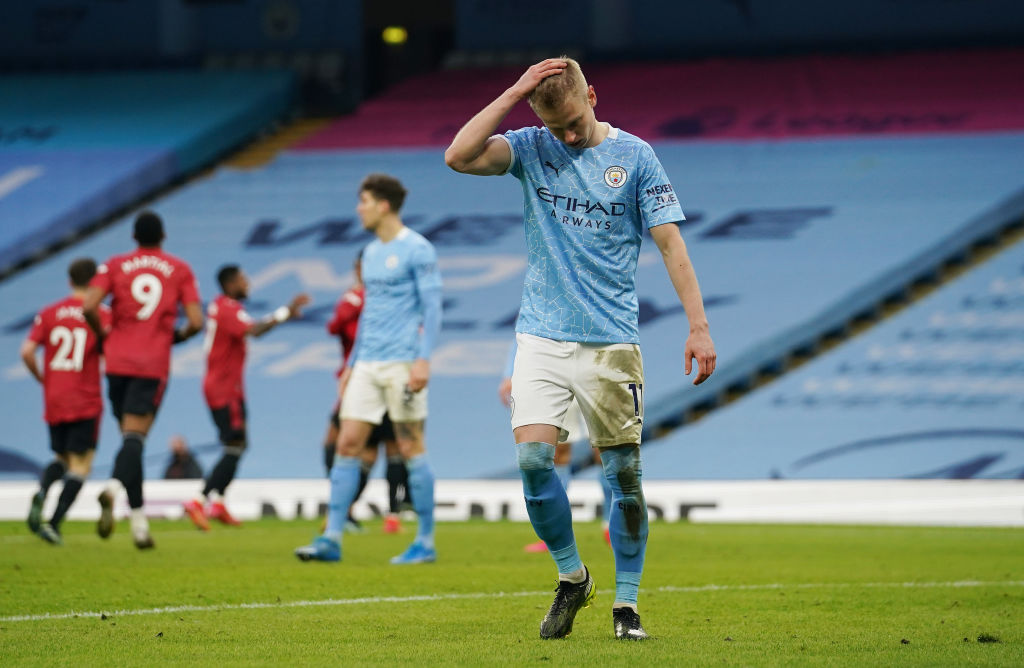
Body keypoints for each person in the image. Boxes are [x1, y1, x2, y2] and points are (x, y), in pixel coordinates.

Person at [445, 57, 717, 640]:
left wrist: (698, 326)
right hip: (541, 335)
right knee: (533, 461)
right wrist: (516, 92)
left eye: (573, 121)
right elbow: (458, 156)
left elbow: (671, 244)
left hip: (611, 341)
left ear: (593, 95)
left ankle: (627, 604)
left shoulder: (637, 156)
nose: (566, 136)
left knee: (624, 477)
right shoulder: (531, 147)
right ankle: (573, 578)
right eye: (554, 126)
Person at [295, 173, 443, 564]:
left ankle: (425, 541)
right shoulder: (372, 253)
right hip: (368, 364)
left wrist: (424, 359)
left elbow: (432, 308)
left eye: (363, 202)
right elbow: (369, 314)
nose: (358, 209)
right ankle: (331, 537)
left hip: (403, 363)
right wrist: (351, 364)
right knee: (346, 444)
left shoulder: (417, 249)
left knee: (411, 446)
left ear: (382, 205)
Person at [83, 211, 203, 549]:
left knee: (131, 442)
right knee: (135, 440)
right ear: (162, 236)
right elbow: (195, 320)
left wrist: (106, 337)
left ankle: (139, 527)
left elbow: (89, 305)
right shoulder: (179, 269)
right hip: (151, 363)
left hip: (117, 361)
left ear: (134, 237)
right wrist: (174, 337)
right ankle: (112, 488)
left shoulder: (114, 265)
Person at [182, 265, 309, 531]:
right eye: (243, 280)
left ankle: (217, 502)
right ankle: (199, 500)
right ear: (230, 284)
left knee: (238, 444)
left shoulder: (224, 307)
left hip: (227, 387)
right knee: (235, 444)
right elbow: (255, 331)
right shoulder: (227, 308)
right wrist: (285, 312)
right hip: (224, 389)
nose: (247, 284)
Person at [21, 258, 111, 545]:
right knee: (82, 465)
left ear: (70, 281)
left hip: (55, 396)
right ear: (96, 282)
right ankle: (55, 523)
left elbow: (27, 351)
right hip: (85, 397)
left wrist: (42, 379)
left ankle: (43, 490)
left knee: (61, 458)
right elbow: (110, 351)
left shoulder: (49, 313)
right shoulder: (101, 313)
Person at [323, 249, 410, 534]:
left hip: (373, 379)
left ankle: (382, 512)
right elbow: (338, 328)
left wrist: (355, 299)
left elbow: (336, 325)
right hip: (366, 379)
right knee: (367, 449)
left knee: (371, 446)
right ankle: (352, 510)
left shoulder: (370, 298)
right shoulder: (374, 299)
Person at [498, 339, 613, 553]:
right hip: (557, 372)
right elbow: (526, 324)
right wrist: (510, 371)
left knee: (604, 449)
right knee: (558, 452)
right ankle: (555, 531)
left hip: (596, 369)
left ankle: (612, 524)